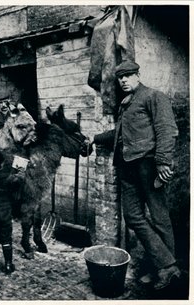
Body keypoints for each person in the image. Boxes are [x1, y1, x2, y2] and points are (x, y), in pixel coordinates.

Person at [92, 60, 180, 290]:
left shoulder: (153, 96)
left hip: (148, 165)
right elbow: (120, 134)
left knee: (160, 218)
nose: (123, 80)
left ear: (138, 75)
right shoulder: (125, 104)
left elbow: (166, 129)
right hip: (126, 167)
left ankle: (162, 270)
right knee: (132, 216)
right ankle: (167, 265)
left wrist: (162, 162)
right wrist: (95, 138)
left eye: (128, 75)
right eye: (121, 77)